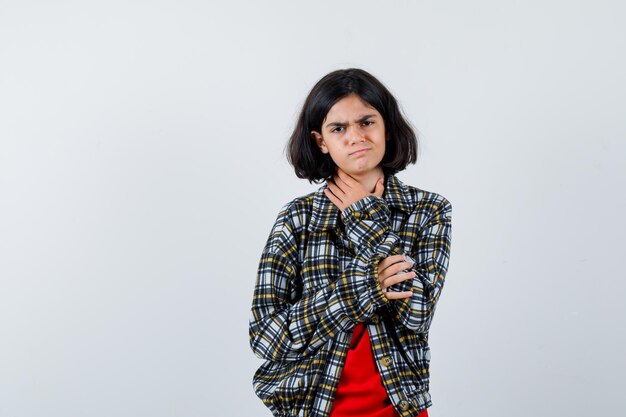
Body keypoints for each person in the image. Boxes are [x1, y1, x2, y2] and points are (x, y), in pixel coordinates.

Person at [248, 68, 453, 417]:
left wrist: (364, 216)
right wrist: (367, 287)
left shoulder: (428, 210)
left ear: (386, 126)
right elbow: (266, 337)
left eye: (367, 122)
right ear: (320, 141)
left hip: (400, 409)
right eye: (338, 128)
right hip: (313, 409)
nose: (355, 136)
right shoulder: (297, 219)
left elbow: (417, 313)